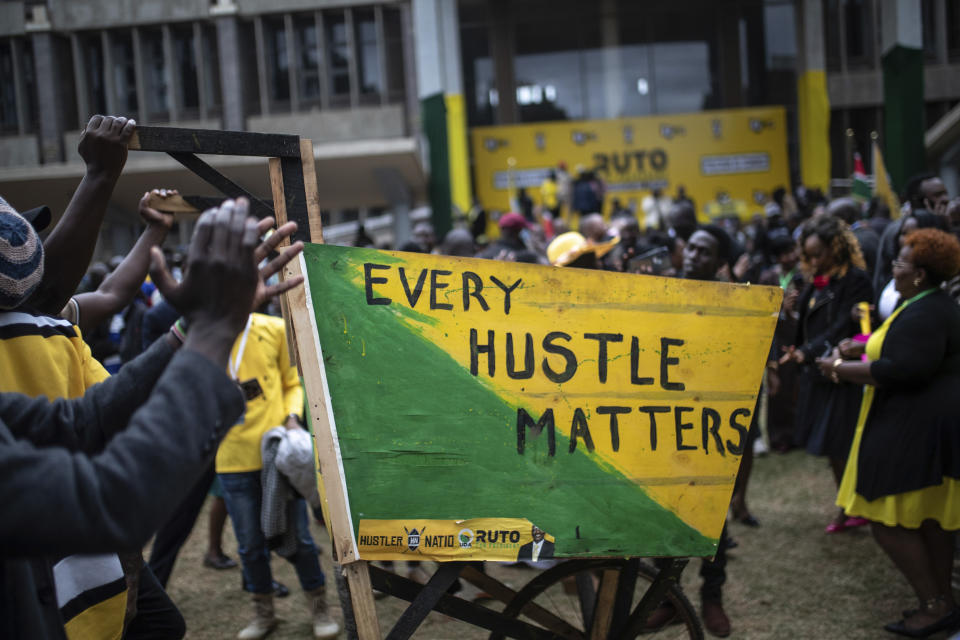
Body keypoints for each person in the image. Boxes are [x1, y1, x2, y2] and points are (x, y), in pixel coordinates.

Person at [0, 198, 303, 639]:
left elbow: (82, 421)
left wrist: (190, 331)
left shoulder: (53, 334)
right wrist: (213, 332)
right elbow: (111, 499)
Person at [818, 228, 960, 637]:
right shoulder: (922, 303)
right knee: (930, 519)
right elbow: (902, 349)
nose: (892, 269)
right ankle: (944, 602)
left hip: (915, 430)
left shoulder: (929, 310)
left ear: (919, 274)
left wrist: (840, 370)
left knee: (883, 516)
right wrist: (859, 347)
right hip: (921, 426)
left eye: (900, 263)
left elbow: (904, 370)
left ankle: (935, 604)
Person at [207, 301, 339, 639]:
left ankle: (319, 609)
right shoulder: (203, 332)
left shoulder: (273, 328)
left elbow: (293, 382)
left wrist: (293, 417)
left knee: (300, 540)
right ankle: (263, 614)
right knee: (250, 545)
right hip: (232, 458)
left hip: (277, 457)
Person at [647, 225, 735, 638]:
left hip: (711, 423)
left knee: (713, 516)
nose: (695, 255)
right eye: (691, 247)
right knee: (666, 509)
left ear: (719, 263)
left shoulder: (733, 303)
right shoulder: (666, 293)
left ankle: (711, 597)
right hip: (667, 419)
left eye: (705, 251)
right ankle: (669, 599)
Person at [780, 215, 873, 532]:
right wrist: (792, 314)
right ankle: (850, 504)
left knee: (841, 444)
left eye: (819, 253)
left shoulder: (856, 280)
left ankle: (853, 505)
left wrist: (808, 351)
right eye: (809, 254)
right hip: (816, 372)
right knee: (833, 446)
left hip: (841, 373)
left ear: (837, 248)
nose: (813, 260)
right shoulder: (813, 280)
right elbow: (806, 325)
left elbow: (842, 328)